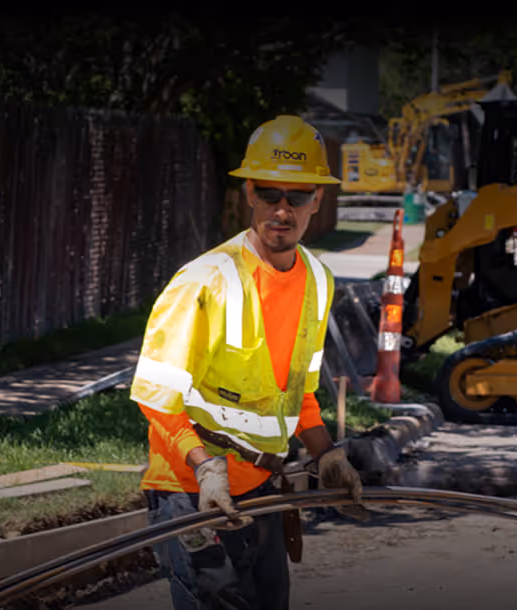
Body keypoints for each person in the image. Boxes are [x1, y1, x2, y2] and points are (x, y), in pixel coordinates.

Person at [128, 114, 368, 610]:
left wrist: (327, 454)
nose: (282, 209)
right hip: (191, 490)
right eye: (268, 194)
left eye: (297, 196)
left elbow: (298, 389)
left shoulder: (317, 282)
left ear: (317, 201)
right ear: (248, 195)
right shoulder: (205, 281)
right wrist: (206, 470)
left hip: (261, 487)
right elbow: (156, 397)